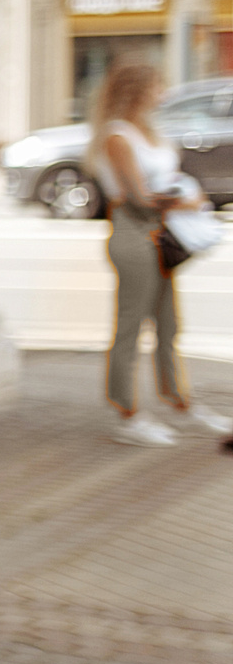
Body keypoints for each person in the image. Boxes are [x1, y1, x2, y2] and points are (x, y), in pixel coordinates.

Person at [87, 59, 231, 445]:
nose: (163, 93)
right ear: (135, 90)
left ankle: (178, 402)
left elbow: (164, 184)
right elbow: (137, 198)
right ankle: (126, 412)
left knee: (169, 325)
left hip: (162, 235)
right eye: (156, 85)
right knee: (131, 327)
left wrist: (184, 196)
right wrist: (187, 203)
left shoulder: (148, 131)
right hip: (134, 234)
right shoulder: (117, 137)